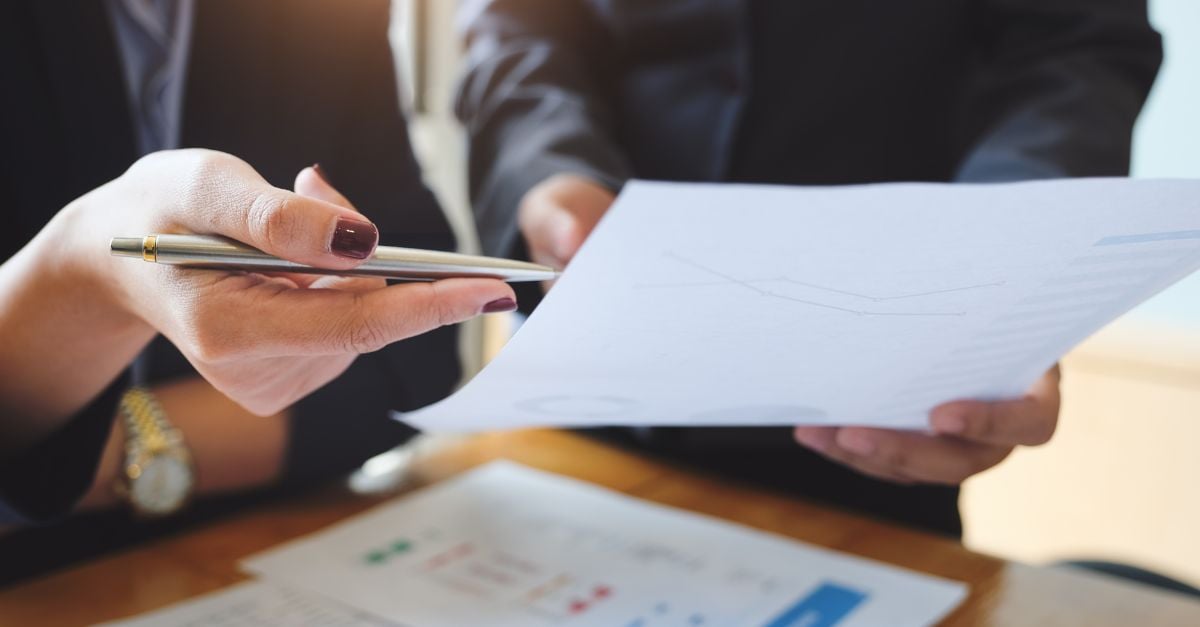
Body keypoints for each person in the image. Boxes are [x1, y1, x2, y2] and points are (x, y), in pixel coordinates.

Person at [455, 0, 1163, 535]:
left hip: (884, 388)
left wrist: (1009, 263)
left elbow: (1073, 44)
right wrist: (542, 170)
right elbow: (520, 20)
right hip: (583, 358)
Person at [0, 0, 516, 582]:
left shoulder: (323, 17)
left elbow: (411, 369)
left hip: (282, 541)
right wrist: (77, 273)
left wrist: (64, 457)